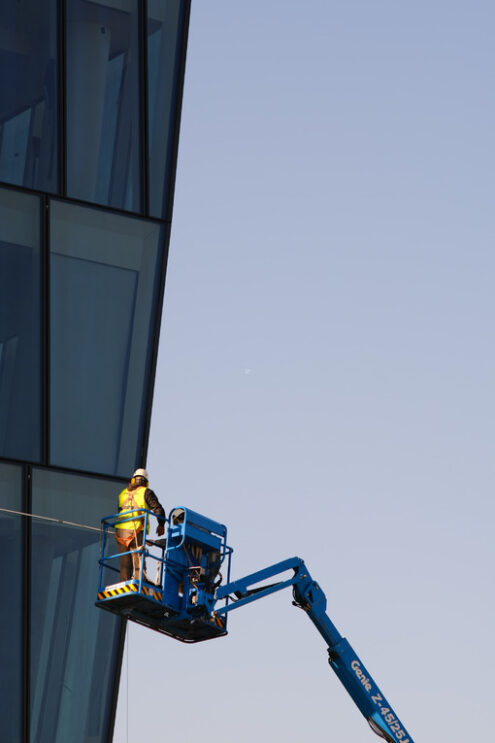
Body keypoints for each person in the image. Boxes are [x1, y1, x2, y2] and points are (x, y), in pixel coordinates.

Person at [115, 468, 165, 582]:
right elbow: (158, 509)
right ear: (145, 482)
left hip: (120, 533)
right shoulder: (146, 492)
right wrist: (161, 524)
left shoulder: (122, 494)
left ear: (133, 480)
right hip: (135, 531)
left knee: (125, 565)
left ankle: (124, 583)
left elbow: (120, 512)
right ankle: (140, 580)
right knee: (138, 559)